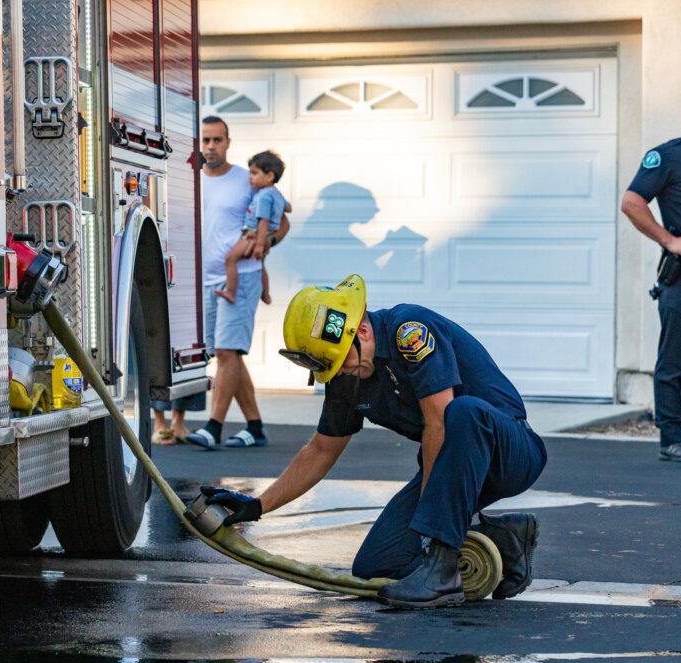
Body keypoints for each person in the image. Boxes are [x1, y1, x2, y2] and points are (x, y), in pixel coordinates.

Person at [199, 275, 546, 609]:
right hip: (452, 472)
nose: (338, 372)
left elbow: (438, 423)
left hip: (508, 451)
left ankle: (442, 573)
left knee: (463, 412)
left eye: (340, 362)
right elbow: (321, 450)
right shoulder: (346, 372)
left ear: (361, 331)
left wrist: (430, 529)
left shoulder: (410, 331)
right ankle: (507, 538)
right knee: (376, 566)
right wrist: (258, 506)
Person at [184, 116, 289, 450]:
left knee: (227, 351)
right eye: (205, 140)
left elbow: (283, 219)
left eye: (217, 140)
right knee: (228, 354)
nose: (211, 146)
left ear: (228, 143)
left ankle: (213, 426)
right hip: (205, 281)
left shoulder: (248, 180)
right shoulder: (189, 179)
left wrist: (264, 244)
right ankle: (255, 427)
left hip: (241, 277)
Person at [621, 88, 681, 462]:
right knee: (673, 362)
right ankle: (672, 439)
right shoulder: (669, 157)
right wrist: (669, 240)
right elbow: (632, 202)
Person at [215, 150, 289, 306]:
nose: (250, 177)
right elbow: (288, 208)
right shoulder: (276, 194)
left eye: (254, 173)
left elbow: (263, 221)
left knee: (230, 259)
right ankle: (266, 295)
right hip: (267, 233)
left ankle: (230, 292)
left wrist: (260, 244)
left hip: (253, 234)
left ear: (269, 176)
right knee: (260, 265)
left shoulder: (263, 196)